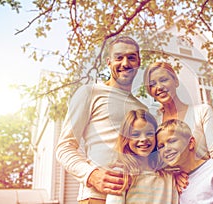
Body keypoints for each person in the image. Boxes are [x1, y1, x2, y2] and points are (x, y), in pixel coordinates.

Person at [56, 36, 148, 204]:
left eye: (131, 57)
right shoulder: (89, 93)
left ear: (138, 63)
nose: (125, 63)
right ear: (109, 62)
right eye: (119, 57)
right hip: (96, 197)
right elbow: (64, 147)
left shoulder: (144, 109)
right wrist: (91, 175)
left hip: (137, 197)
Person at [144, 62, 213, 204]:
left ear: (175, 81)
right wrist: (172, 175)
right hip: (177, 191)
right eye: (152, 84)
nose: (159, 87)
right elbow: (152, 162)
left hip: (207, 188)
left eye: (163, 80)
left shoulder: (202, 112)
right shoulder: (154, 123)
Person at [156, 119, 213, 204]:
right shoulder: (175, 182)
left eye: (172, 141)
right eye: (161, 146)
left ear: (191, 143)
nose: (166, 149)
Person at [106, 109, 178, 204]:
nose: (143, 139)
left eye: (149, 133)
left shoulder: (168, 174)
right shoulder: (122, 174)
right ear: (126, 139)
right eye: (135, 134)